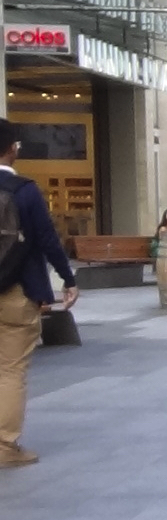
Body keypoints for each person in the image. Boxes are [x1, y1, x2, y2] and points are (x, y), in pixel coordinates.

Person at [0, 120, 78, 468]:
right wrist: (67, 278)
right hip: (17, 291)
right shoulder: (25, 191)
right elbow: (47, 239)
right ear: (13, 148)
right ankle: (4, 446)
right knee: (11, 371)